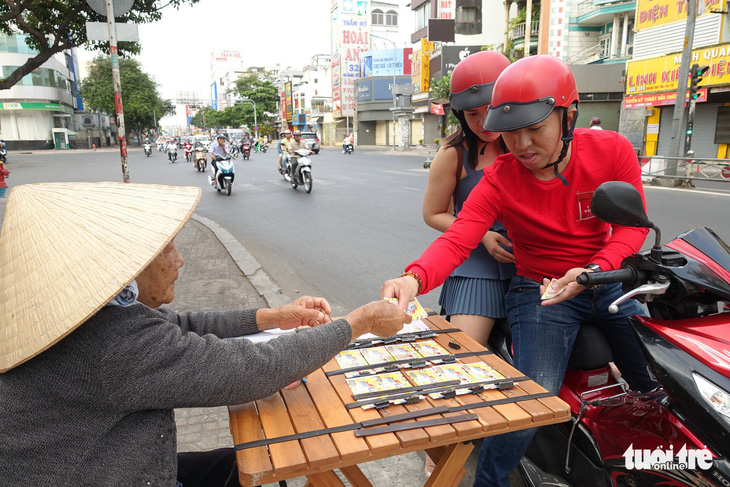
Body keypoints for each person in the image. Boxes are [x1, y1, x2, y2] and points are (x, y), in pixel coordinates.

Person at [0, 181, 411, 486]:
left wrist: (273, 316)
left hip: (100, 465)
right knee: (267, 460)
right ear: (123, 266)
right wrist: (359, 323)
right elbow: (249, 370)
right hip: (111, 474)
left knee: (248, 460)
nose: (180, 260)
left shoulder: (82, 314)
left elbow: (179, 327)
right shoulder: (114, 345)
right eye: (166, 250)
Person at [380, 55, 656, 487]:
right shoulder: (498, 177)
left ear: (568, 117)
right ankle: (488, 481)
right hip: (541, 293)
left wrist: (593, 270)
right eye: (510, 133)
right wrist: (411, 279)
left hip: (605, 280)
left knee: (656, 384)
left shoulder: (612, 151)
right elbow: (458, 238)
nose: (522, 145)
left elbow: (631, 228)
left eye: (534, 128)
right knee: (530, 407)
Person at [424, 50, 515, 349]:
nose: (481, 122)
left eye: (488, 110)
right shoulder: (454, 153)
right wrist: (483, 236)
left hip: (529, 263)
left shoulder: (525, 144)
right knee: (462, 356)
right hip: (476, 267)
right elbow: (433, 213)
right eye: (471, 114)